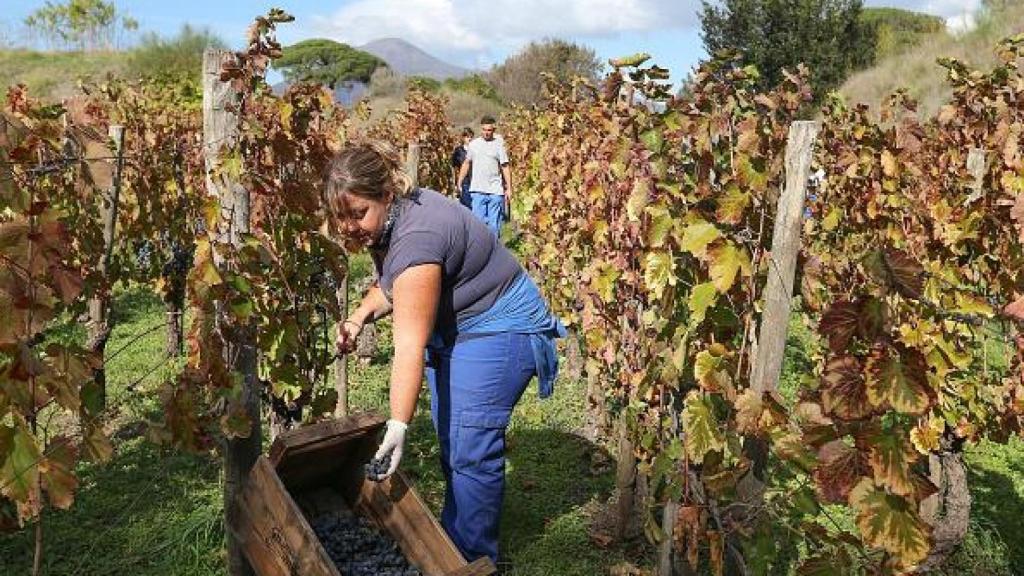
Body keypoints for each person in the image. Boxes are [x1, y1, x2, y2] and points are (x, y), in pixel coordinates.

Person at [327, 141, 565, 565]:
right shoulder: (396, 219)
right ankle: (455, 541)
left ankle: (471, 561)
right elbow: (390, 286)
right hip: (464, 329)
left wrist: (398, 425)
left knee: (469, 445)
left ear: (385, 194)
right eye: (340, 217)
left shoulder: (418, 236)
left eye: (357, 213)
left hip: (501, 329)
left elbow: (408, 345)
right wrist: (358, 317)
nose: (349, 227)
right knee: (454, 438)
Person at [457, 115, 511, 237]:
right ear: (481, 129)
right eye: (484, 130)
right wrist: (460, 181)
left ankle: (493, 250)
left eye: (489, 130)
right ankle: (479, 251)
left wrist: (509, 188)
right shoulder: (474, 145)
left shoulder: (499, 145)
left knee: (494, 226)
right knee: (478, 225)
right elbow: (466, 163)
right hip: (477, 190)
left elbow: (505, 166)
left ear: (494, 130)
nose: (486, 133)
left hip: (495, 190)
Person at [450, 127, 474, 209]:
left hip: (475, 180)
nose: (469, 139)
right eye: (467, 137)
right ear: (463, 138)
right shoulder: (459, 151)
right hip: (464, 181)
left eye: (471, 137)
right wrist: (455, 182)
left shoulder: (476, 149)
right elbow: (454, 167)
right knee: (466, 204)